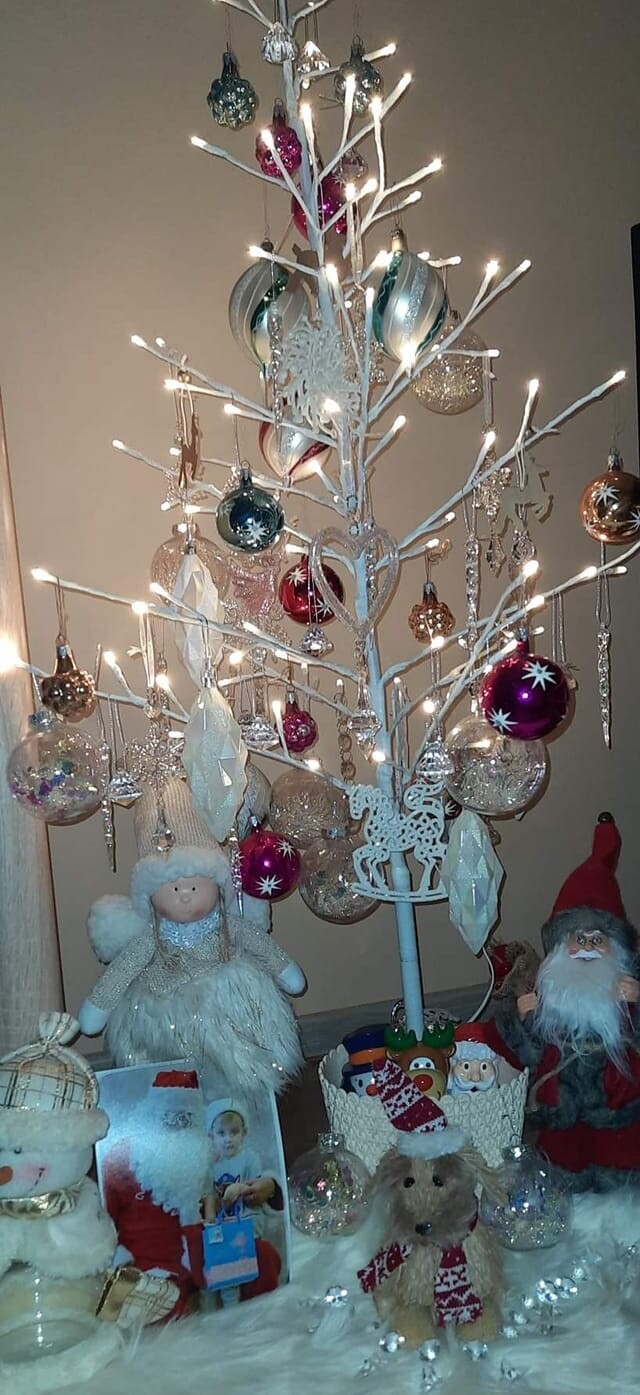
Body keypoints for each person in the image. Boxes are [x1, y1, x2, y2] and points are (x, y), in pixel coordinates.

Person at [492, 813, 640, 1191]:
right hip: (562, 1111)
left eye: (598, 940)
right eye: (579, 938)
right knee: (559, 1169)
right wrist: (523, 1023)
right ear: (561, 946)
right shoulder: (549, 995)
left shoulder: (626, 990)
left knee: (621, 1170)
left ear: (615, 949)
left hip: (617, 1110)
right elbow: (524, 1057)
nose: (587, 948)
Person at [102, 1069, 211, 1316]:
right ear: (151, 1115)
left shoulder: (204, 1157)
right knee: (164, 1309)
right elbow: (104, 1218)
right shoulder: (123, 1158)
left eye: (186, 1119)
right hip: (140, 1265)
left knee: (266, 1259)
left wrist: (268, 1185)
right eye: (169, 1118)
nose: (177, 1127)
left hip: (195, 1265)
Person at [204, 1100, 282, 1301]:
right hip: (223, 1225)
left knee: (252, 1256)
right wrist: (211, 1218)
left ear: (244, 1134)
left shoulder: (249, 1158)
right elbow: (209, 1195)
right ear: (211, 1136)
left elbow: (255, 1188)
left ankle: (260, 1296)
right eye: (221, 1134)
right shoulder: (211, 1165)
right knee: (225, 1267)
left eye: (234, 1133)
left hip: (247, 1220)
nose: (228, 1140)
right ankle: (230, 1302)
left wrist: (239, 1189)